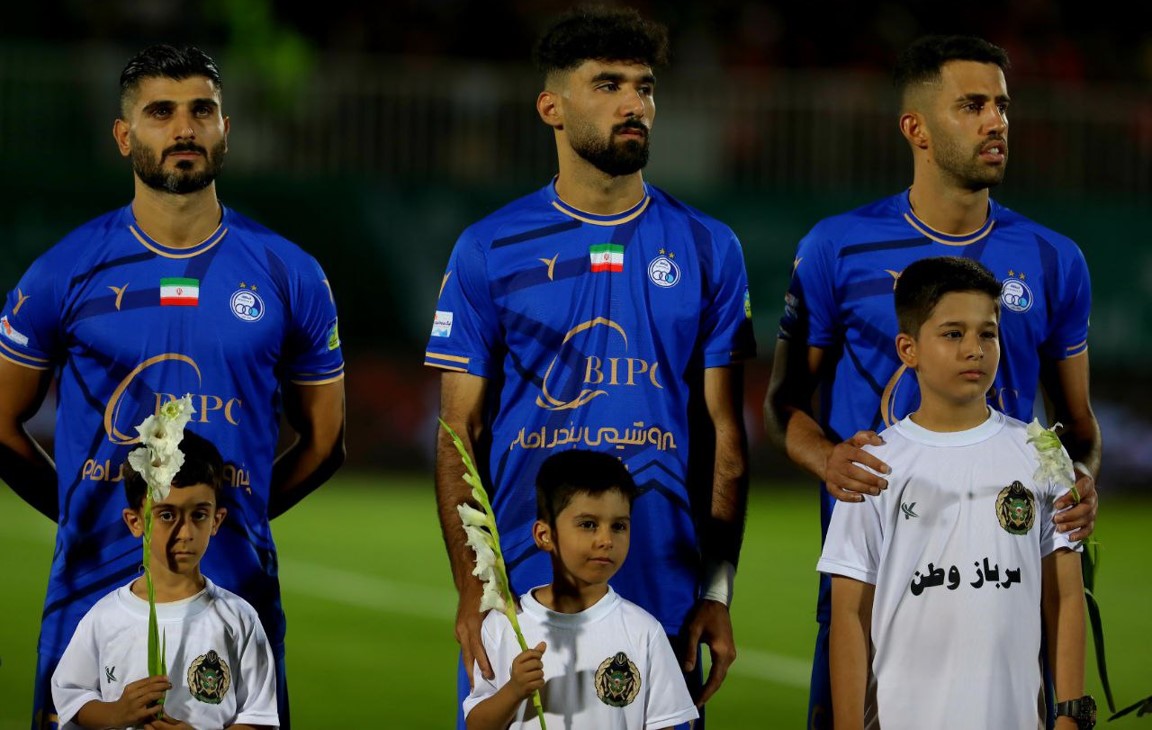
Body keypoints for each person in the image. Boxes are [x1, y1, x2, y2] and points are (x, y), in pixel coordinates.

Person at [426, 6, 755, 727]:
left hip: (664, 578)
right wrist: (473, 589)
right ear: (552, 107)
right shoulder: (488, 248)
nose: (634, 104)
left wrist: (717, 591)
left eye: (644, 87)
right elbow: (459, 433)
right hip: (523, 579)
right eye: (608, 85)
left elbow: (725, 435)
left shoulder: (710, 247)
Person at [0, 45, 345, 729]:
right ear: (124, 135)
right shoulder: (64, 271)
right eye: (161, 112)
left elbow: (326, 440)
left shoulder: (290, 273)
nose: (185, 129)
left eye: (202, 111)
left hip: (236, 593)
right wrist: (81, 513)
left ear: (225, 128)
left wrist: (230, 516)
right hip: (89, 590)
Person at [762, 35, 1100, 729]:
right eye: (972, 106)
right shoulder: (836, 248)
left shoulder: (1054, 259)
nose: (995, 122)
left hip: (1011, 586)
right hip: (878, 578)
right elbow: (783, 403)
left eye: (1002, 106)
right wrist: (827, 459)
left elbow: (1077, 427)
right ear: (915, 128)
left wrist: (1081, 481)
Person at [817, 256, 1091, 730]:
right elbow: (849, 615)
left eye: (987, 334)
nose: (974, 350)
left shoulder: (1042, 453)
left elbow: (1065, 598)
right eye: (952, 334)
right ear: (909, 349)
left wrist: (1069, 717)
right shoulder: (873, 465)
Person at [51, 430, 279, 730]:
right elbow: (72, 697)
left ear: (216, 520)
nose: (185, 533)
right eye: (167, 515)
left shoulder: (239, 619)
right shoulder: (104, 618)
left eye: (199, 515)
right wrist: (116, 714)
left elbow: (258, 718)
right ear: (135, 522)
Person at [463, 449, 698, 729]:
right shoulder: (504, 624)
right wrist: (514, 690)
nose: (606, 540)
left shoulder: (644, 632)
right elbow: (477, 725)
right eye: (588, 524)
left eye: (619, 526)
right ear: (544, 535)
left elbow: (664, 725)